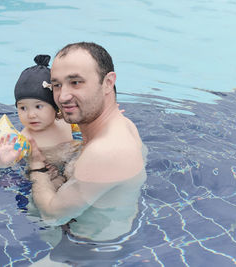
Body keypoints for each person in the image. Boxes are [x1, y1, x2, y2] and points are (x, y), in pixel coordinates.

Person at [28, 42, 148, 241]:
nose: (63, 96)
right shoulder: (122, 124)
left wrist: (36, 165)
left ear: (108, 83)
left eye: (75, 82)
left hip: (85, 252)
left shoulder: (105, 151)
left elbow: (52, 215)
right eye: (56, 85)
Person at [0, 55, 81, 189]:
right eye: (23, 108)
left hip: (71, 161)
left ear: (55, 106)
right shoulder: (24, 139)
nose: (31, 115)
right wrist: (3, 162)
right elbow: (11, 165)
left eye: (38, 106)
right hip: (49, 173)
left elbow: (88, 124)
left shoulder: (66, 121)